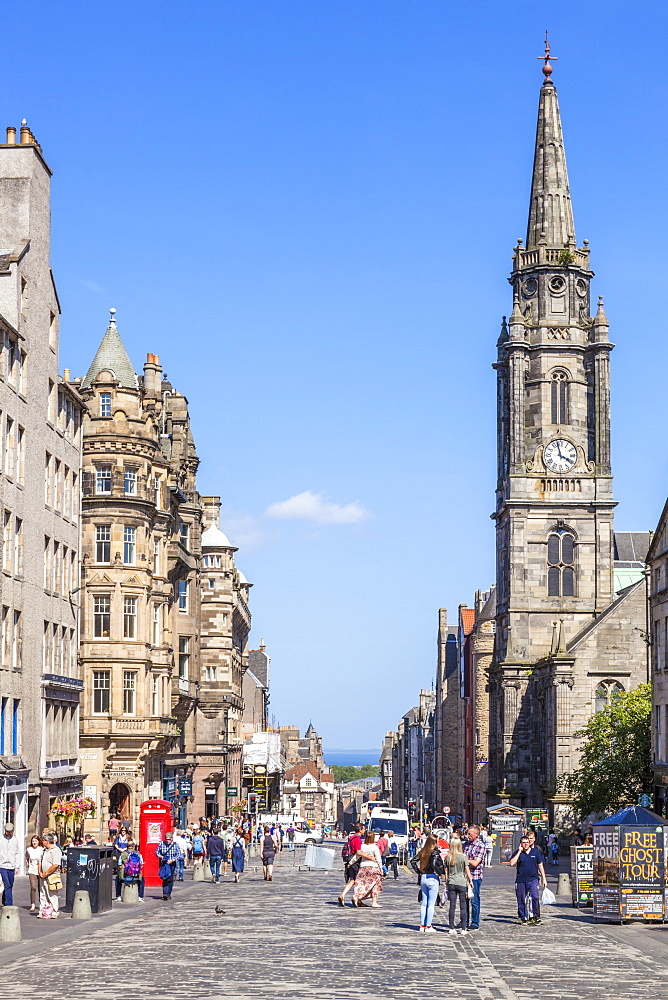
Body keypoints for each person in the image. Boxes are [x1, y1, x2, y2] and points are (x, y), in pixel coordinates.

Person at [510, 834, 547, 924]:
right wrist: (519, 852)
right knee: (522, 899)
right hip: (521, 880)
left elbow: (540, 865)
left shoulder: (535, 852)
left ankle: (534, 916)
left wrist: (544, 878)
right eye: (523, 843)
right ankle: (523, 917)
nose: (526, 844)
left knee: (534, 897)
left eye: (527, 842)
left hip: (533, 879)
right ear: (520, 844)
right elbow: (512, 863)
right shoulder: (518, 853)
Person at [410, 833, 444, 932]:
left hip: (423, 877)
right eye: (437, 842)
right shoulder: (435, 853)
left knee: (424, 902)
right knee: (431, 904)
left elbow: (413, 861)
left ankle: (422, 925)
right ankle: (428, 926)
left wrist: (419, 872)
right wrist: (439, 872)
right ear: (434, 842)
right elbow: (434, 864)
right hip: (432, 877)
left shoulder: (423, 851)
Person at [443, 834, 473, 935]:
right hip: (462, 882)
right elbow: (467, 870)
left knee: (452, 906)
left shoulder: (447, 857)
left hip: (452, 882)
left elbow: (446, 872)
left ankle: (451, 928)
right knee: (463, 906)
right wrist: (470, 881)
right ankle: (464, 928)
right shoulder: (463, 857)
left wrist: (447, 881)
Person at [462, 824, 486, 930]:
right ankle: (465, 921)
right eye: (467, 833)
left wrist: (463, 860)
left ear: (476, 834)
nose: (467, 835)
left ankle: (475, 922)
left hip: (475, 876)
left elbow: (476, 863)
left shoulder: (480, 845)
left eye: (469, 834)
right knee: (464, 899)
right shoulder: (466, 844)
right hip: (464, 876)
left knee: (474, 900)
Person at [351, 831, 384, 909]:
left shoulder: (362, 846)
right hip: (373, 868)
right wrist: (381, 869)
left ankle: (356, 897)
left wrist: (350, 863)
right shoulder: (375, 847)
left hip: (363, 867)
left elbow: (357, 856)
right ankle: (374, 902)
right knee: (375, 885)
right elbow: (378, 859)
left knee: (361, 884)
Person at [338, 824, 364, 906]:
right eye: (364, 829)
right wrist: (369, 857)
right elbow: (358, 852)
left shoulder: (351, 838)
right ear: (360, 830)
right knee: (358, 880)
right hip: (354, 861)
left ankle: (342, 895)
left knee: (352, 880)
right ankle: (355, 898)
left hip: (350, 861)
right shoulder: (357, 839)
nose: (365, 831)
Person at [38, 833, 62, 918]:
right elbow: (40, 861)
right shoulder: (44, 850)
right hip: (43, 875)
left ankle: (54, 911)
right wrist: (40, 872)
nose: (42, 842)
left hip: (52, 876)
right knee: (43, 893)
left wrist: (47, 873)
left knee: (52, 893)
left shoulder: (56, 850)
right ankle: (42, 910)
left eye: (43, 840)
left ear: (47, 841)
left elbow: (55, 864)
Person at [156, 830, 182, 900]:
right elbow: (157, 852)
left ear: (171, 839)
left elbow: (179, 854)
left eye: (169, 839)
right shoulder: (161, 844)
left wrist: (172, 860)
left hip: (171, 863)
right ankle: (165, 893)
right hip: (164, 863)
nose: (168, 841)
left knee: (170, 878)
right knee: (164, 878)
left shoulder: (175, 844)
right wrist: (161, 856)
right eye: (166, 839)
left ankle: (169, 893)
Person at [0, 822, 20, 906]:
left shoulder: (15, 840)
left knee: (10, 885)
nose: (8, 833)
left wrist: (17, 866)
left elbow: (17, 853)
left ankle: (5, 898)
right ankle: (9, 905)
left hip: (12, 866)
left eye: (10, 831)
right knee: (7, 885)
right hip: (2, 865)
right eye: (7, 831)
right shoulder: (1, 839)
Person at [25, 835, 44, 913]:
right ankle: (32, 904)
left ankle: (41, 904)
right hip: (32, 870)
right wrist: (28, 864)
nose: (34, 843)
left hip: (40, 870)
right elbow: (26, 857)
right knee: (33, 887)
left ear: (38, 841)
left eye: (35, 841)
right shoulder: (29, 849)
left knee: (41, 887)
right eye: (33, 841)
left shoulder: (42, 849)